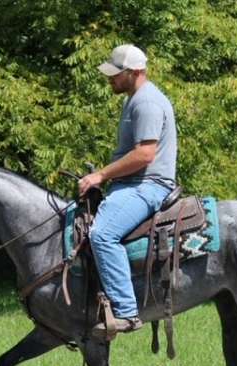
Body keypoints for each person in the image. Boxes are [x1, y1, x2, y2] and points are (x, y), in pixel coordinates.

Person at [78, 44, 177, 337]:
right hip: (131, 185)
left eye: (115, 74)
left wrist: (100, 175)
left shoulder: (146, 103)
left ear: (134, 73)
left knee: (102, 234)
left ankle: (126, 312)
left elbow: (145, 155)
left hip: (147, 186)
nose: (110, 79)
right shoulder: (134, 98)